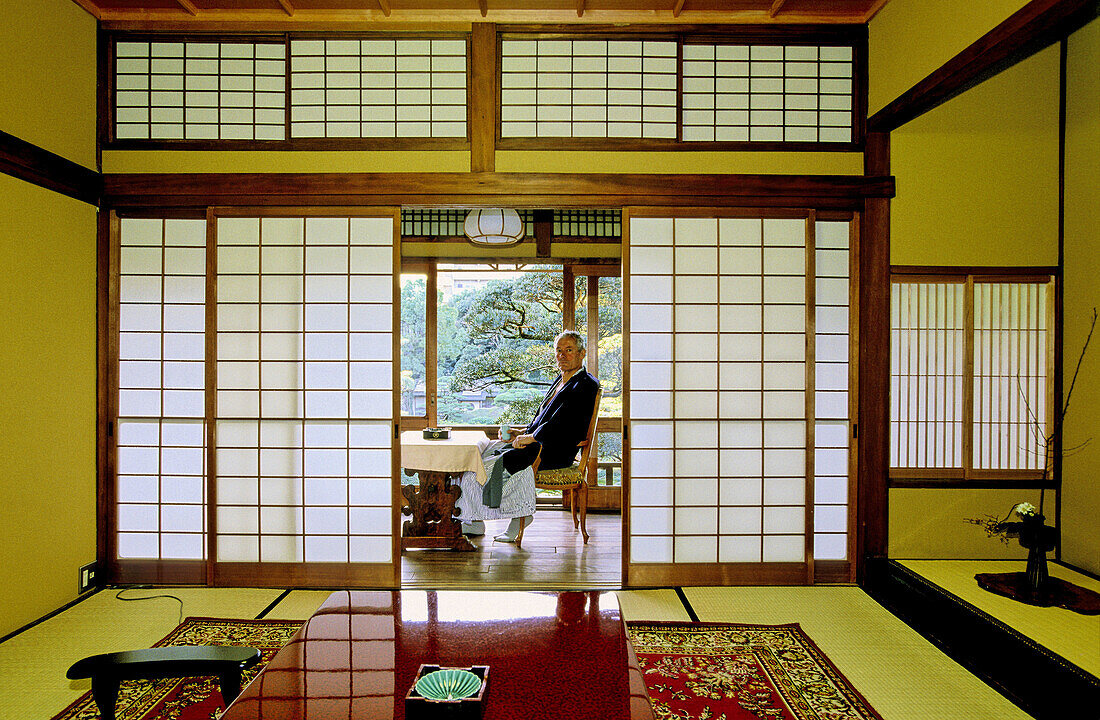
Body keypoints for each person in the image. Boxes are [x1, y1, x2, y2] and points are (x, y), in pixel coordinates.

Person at [457, 330, 600, 542]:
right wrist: (522, 433)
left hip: (556, 450)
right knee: (484, 454)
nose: (562, 355)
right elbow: (544, 419)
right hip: (539, 443)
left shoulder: (586, 384)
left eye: (568, 350)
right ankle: (473, 519)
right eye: (558, 351)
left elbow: (564, 423)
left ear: (582, 353)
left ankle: (513, 516)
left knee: (489, 467)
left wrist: (532, 438)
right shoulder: (561, 380)